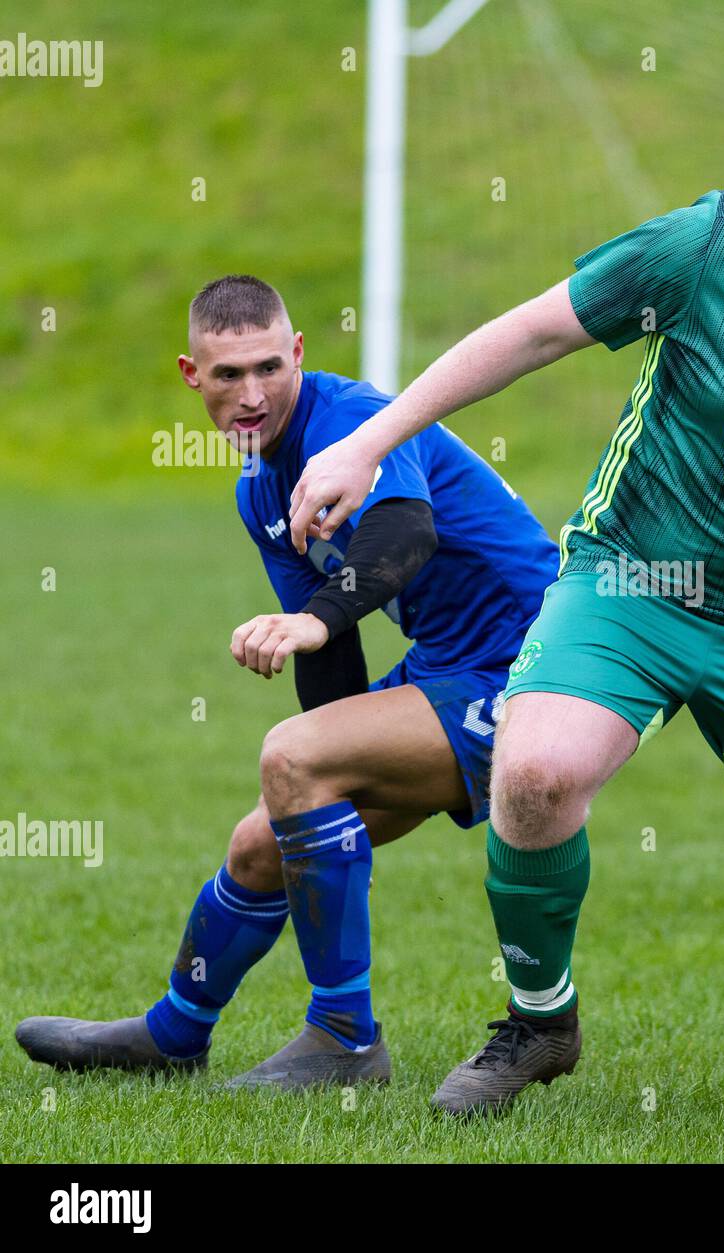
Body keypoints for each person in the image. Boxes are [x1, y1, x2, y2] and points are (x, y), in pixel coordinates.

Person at [287, 34, 724, 1117]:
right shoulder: (715, 243)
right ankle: (539, 1020)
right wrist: (366, 441)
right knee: (530, 774)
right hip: (637, 579)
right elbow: (533, 331)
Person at [15, 276, 558, 1089]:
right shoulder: (257, 489)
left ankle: (345, 1037)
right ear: (190, 375)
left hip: (534, 667)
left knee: (292, 758)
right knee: (261, 838)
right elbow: (331, 673)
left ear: (298, 352)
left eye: (269, 366)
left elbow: (407, 530)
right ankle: (173, 1034)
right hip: (451, 664)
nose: (251, 393)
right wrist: (325, 738)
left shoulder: (350, 420)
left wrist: (317, 622)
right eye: (227, 375)